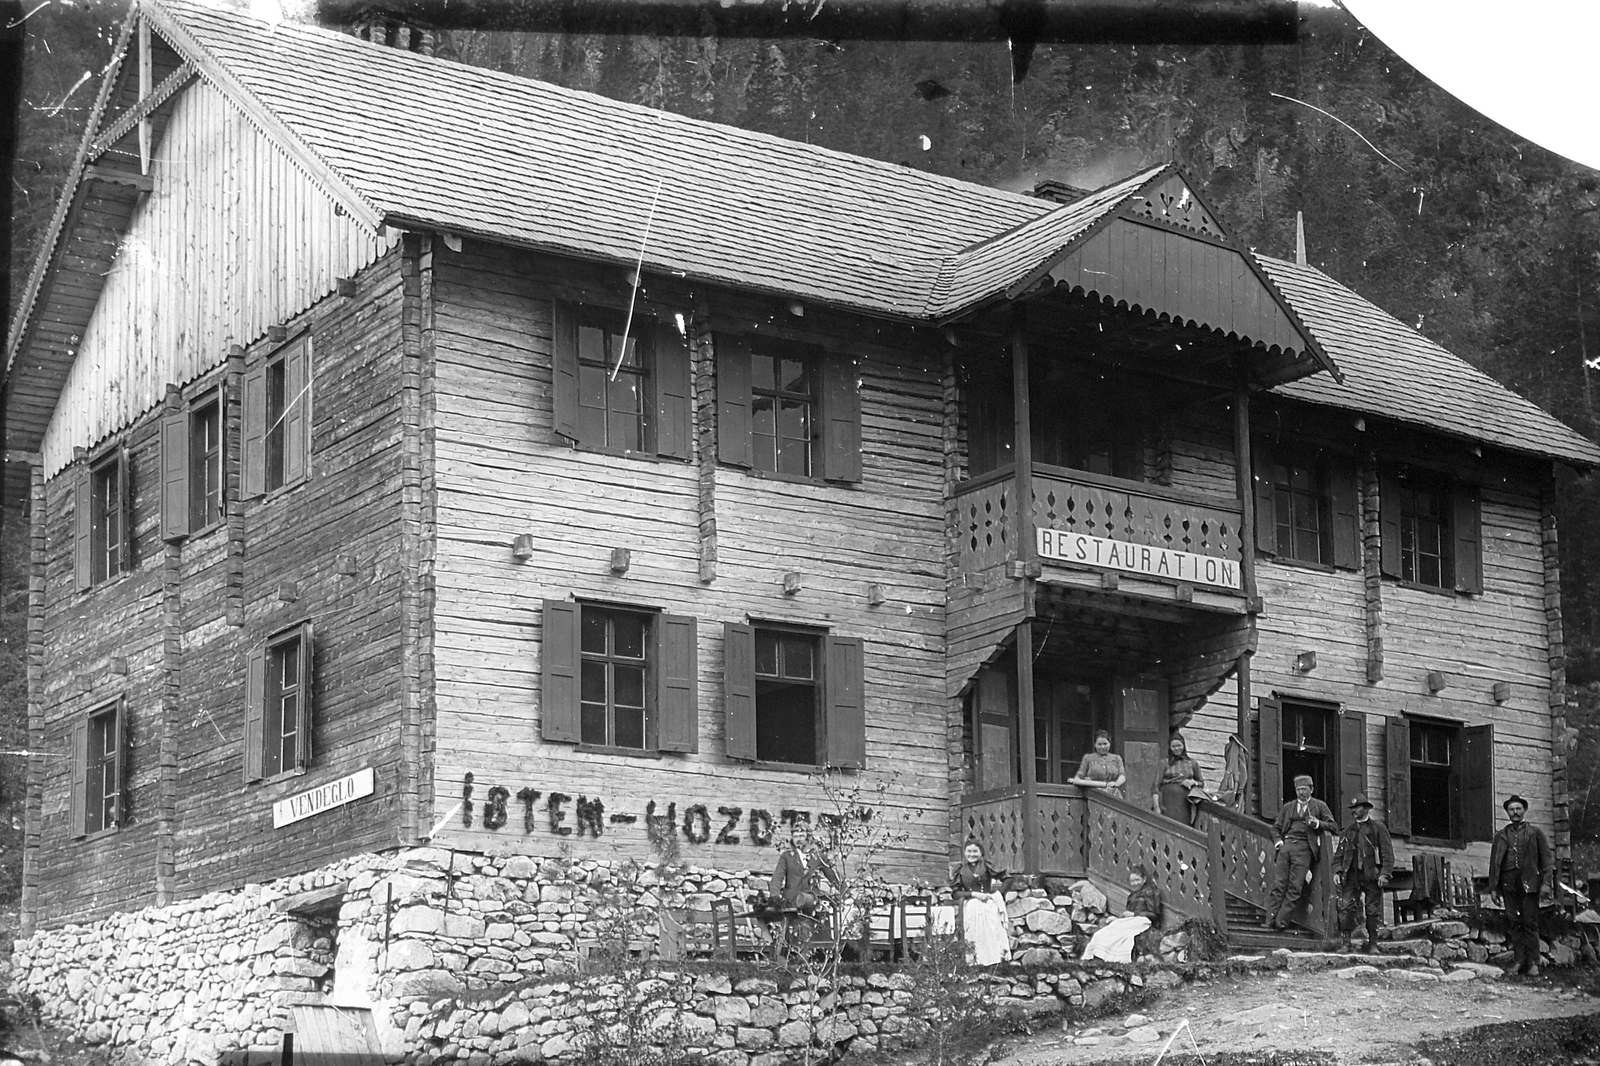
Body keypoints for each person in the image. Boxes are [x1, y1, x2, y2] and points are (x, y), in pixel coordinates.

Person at [1489, 794, 1552, 976]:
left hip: (1529, 882)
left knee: (1530, 922)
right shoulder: (1500, 836)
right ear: (1507, 812)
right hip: (1509, 882)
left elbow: (1547, 861)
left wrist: (1546, 884)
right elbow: (1494, 864)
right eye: (1511, 809)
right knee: (1514, 922)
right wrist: (1494, 888)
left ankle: (1533, 963)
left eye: (1518, 809)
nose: (1515, 812)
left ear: (1524, 810)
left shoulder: (1535, 833)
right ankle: (1519, 961)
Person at [1265, 774, 1336, 930]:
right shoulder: (1288, 807)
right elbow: (1275, 828)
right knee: (1279, 885)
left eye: (1304, 789)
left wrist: (1317, 823)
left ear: (1311, 789)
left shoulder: (1319, 806)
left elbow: (1333, 826)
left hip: (1304, 849)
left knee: (1295, 886)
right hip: (1286, 847)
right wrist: (1279, 843)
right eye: (1298, 789)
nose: (1301, 793)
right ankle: (1269, 920)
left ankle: (1281, 921)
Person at [1332, 793, 1393, 953]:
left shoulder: (1378, 829)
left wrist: (1385, 873)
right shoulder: (1347, 831)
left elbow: (1387, 853)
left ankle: (1373, 944)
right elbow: (1338, 855)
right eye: (1352, 808)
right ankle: (1346, 943)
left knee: (1372, 910)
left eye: (1357, 807)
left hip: (1372, 875)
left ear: (1366, 808)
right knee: (1346, 907)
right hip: (1351, 876)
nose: (1354, 811)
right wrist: (1338, 871)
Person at [769, 821, 839, 957]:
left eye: (802, 835)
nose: (799, 838)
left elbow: (833, 877)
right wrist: (775, 897)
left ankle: (821, 956)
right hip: (792, 901)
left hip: (812, 902)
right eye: (796, 836)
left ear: (808, 837)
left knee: (820, 923)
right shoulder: (787, 856)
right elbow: (777, 879)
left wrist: (846, 894)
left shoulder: (817, 856)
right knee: (795, 930)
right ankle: (796, 957)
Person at [948, 839, 1012, 965]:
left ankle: (994, 963)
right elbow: (955, 894)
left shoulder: (987, 866)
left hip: (989, 906)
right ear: (965, 853)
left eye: (975, 851)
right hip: (971, 908)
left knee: (992, 934)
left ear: (981, 852)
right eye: (969, 851)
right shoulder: (960, 870)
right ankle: (975, 963)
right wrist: (973, 894)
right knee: (974, 935)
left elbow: (1008, 879)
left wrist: (998, 894)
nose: (972, 854)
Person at [1083, 866, 1162, 963]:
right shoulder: (1132, 896)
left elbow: (1155, 915)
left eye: (1137, 880)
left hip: (1142, 921)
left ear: (1144, 879)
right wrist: (1117, 919)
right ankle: (1098, 956)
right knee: (1102, 933)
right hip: (1130, 921)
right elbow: (1128, 915)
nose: (1135, 883)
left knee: (1123, 936)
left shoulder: (1151, 892)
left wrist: (1135, 914)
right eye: (1132, 881)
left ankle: (1115, 958)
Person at [1153, 733, 1206, 825]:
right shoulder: (1164, 763)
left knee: (1184, 826)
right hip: (1168, 800)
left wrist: (1193, 782)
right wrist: (1156, 806)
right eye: (1173, 746)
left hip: (1185, 801)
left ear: (1184, 746)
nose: (1177, 748)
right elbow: (1155, 786)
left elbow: (1201, 783)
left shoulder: (1192, 763)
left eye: (1179, 745)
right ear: (1170, 748)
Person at [1069, 730, 1128, 799]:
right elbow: (1081, 774)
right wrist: (1076, 780)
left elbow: (1122, 775)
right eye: (1099, 744)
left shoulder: (1117, 758)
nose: (1102, 747)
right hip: (1093, 793)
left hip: (1112, 794)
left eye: (1105, 744)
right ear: (1095, 745)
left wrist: (1116, 783)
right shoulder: (1088, 758)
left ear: (1110, 743)